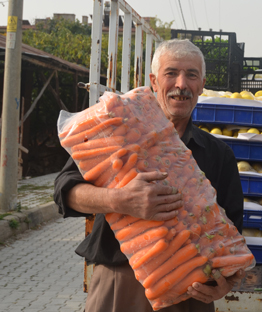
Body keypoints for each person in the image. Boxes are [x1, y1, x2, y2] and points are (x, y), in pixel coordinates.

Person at [53, 39, 245, 312]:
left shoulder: (219, 154)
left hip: (191, 291)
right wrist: (119, 200)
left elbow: (233, 233)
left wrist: (227, 282)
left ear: (202, 85)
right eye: (171, 73)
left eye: (191, 75)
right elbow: (64, 192)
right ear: (154, 81)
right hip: (120, 284)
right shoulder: (114, 131)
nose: (181, 84)